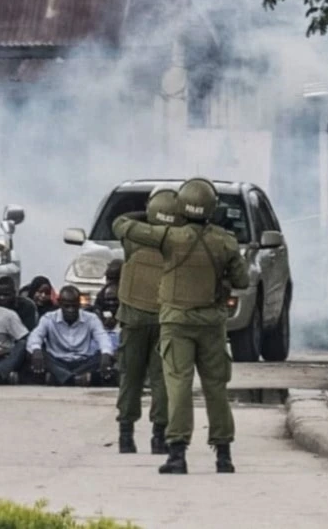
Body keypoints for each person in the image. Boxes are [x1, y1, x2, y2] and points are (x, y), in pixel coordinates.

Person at [113, 178, 249, 475]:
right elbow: (243, 281)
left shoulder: (169, 238)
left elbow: (121, 226)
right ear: (212, 208)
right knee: (216, 388)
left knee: (178, 386)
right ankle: (223, 455)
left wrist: (149, 214)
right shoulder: (225, 241)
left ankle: (177, 453)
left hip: (176, 322)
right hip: (212, 324)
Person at [114, 189, 179, 456]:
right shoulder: (179, 241)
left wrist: (149, 214)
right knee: (162, 379)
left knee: (131, 377)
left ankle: (126, 435)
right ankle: (159, 437)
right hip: (165, 319)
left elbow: (120, 221)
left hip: (133, 318)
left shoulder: (133, 240)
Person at [27, 285, 114, 387]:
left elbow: (103, 337)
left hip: (83, 362)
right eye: (67, 306)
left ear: (79, 304)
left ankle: (63, 378)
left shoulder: (91, 319)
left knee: (105, 355)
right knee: (37, 352)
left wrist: (106, 354)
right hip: (57, 361)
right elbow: (35, 336)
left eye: (74, 306)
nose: (71, 310)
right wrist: (36, 350)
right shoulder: (48, 318)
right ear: (60, 304)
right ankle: (76, 379)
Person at [92, 260, 123, 354]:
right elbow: (96, 308)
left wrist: (117, 319)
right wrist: (102, 319)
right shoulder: (102, 294)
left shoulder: (127, 293)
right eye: (109, 279)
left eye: (114, 279)